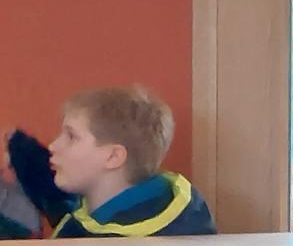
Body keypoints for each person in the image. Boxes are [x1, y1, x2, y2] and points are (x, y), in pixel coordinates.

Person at [4, 86, 217, 237]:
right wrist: (15, 146)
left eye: (71, 137)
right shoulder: (100, 203)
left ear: (113, 157)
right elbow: (53, 191)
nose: (53, 146)